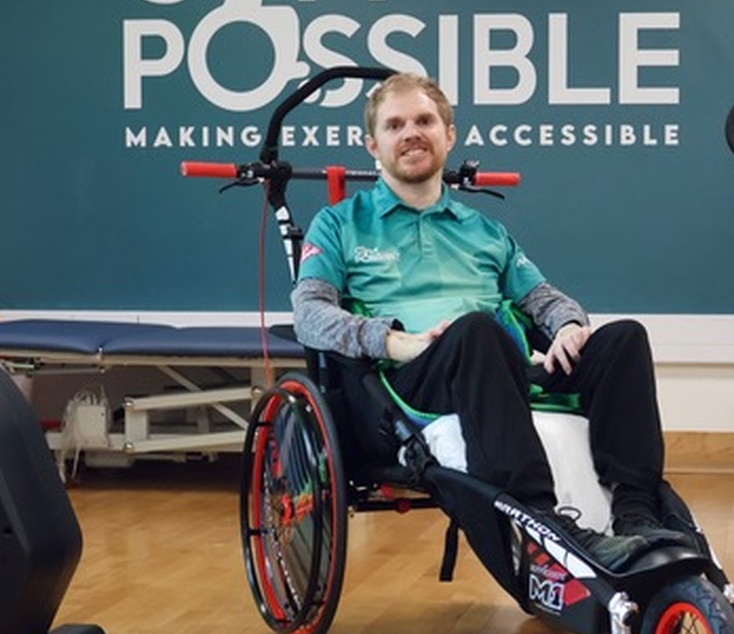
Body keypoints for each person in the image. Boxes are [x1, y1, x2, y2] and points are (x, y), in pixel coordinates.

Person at [291, 73, 688, 571]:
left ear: (449, 134)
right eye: (395, 125)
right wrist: (396, 342)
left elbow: (542, 296)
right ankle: (542, 517)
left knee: (624, 339)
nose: (411, 132)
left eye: (424, 120)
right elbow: (308, 314)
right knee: (477, 329)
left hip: (496, 366)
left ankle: (637, 512)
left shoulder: (483, 230)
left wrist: (567, 325)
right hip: (407, 380)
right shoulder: (340, 224)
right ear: (373, 144)